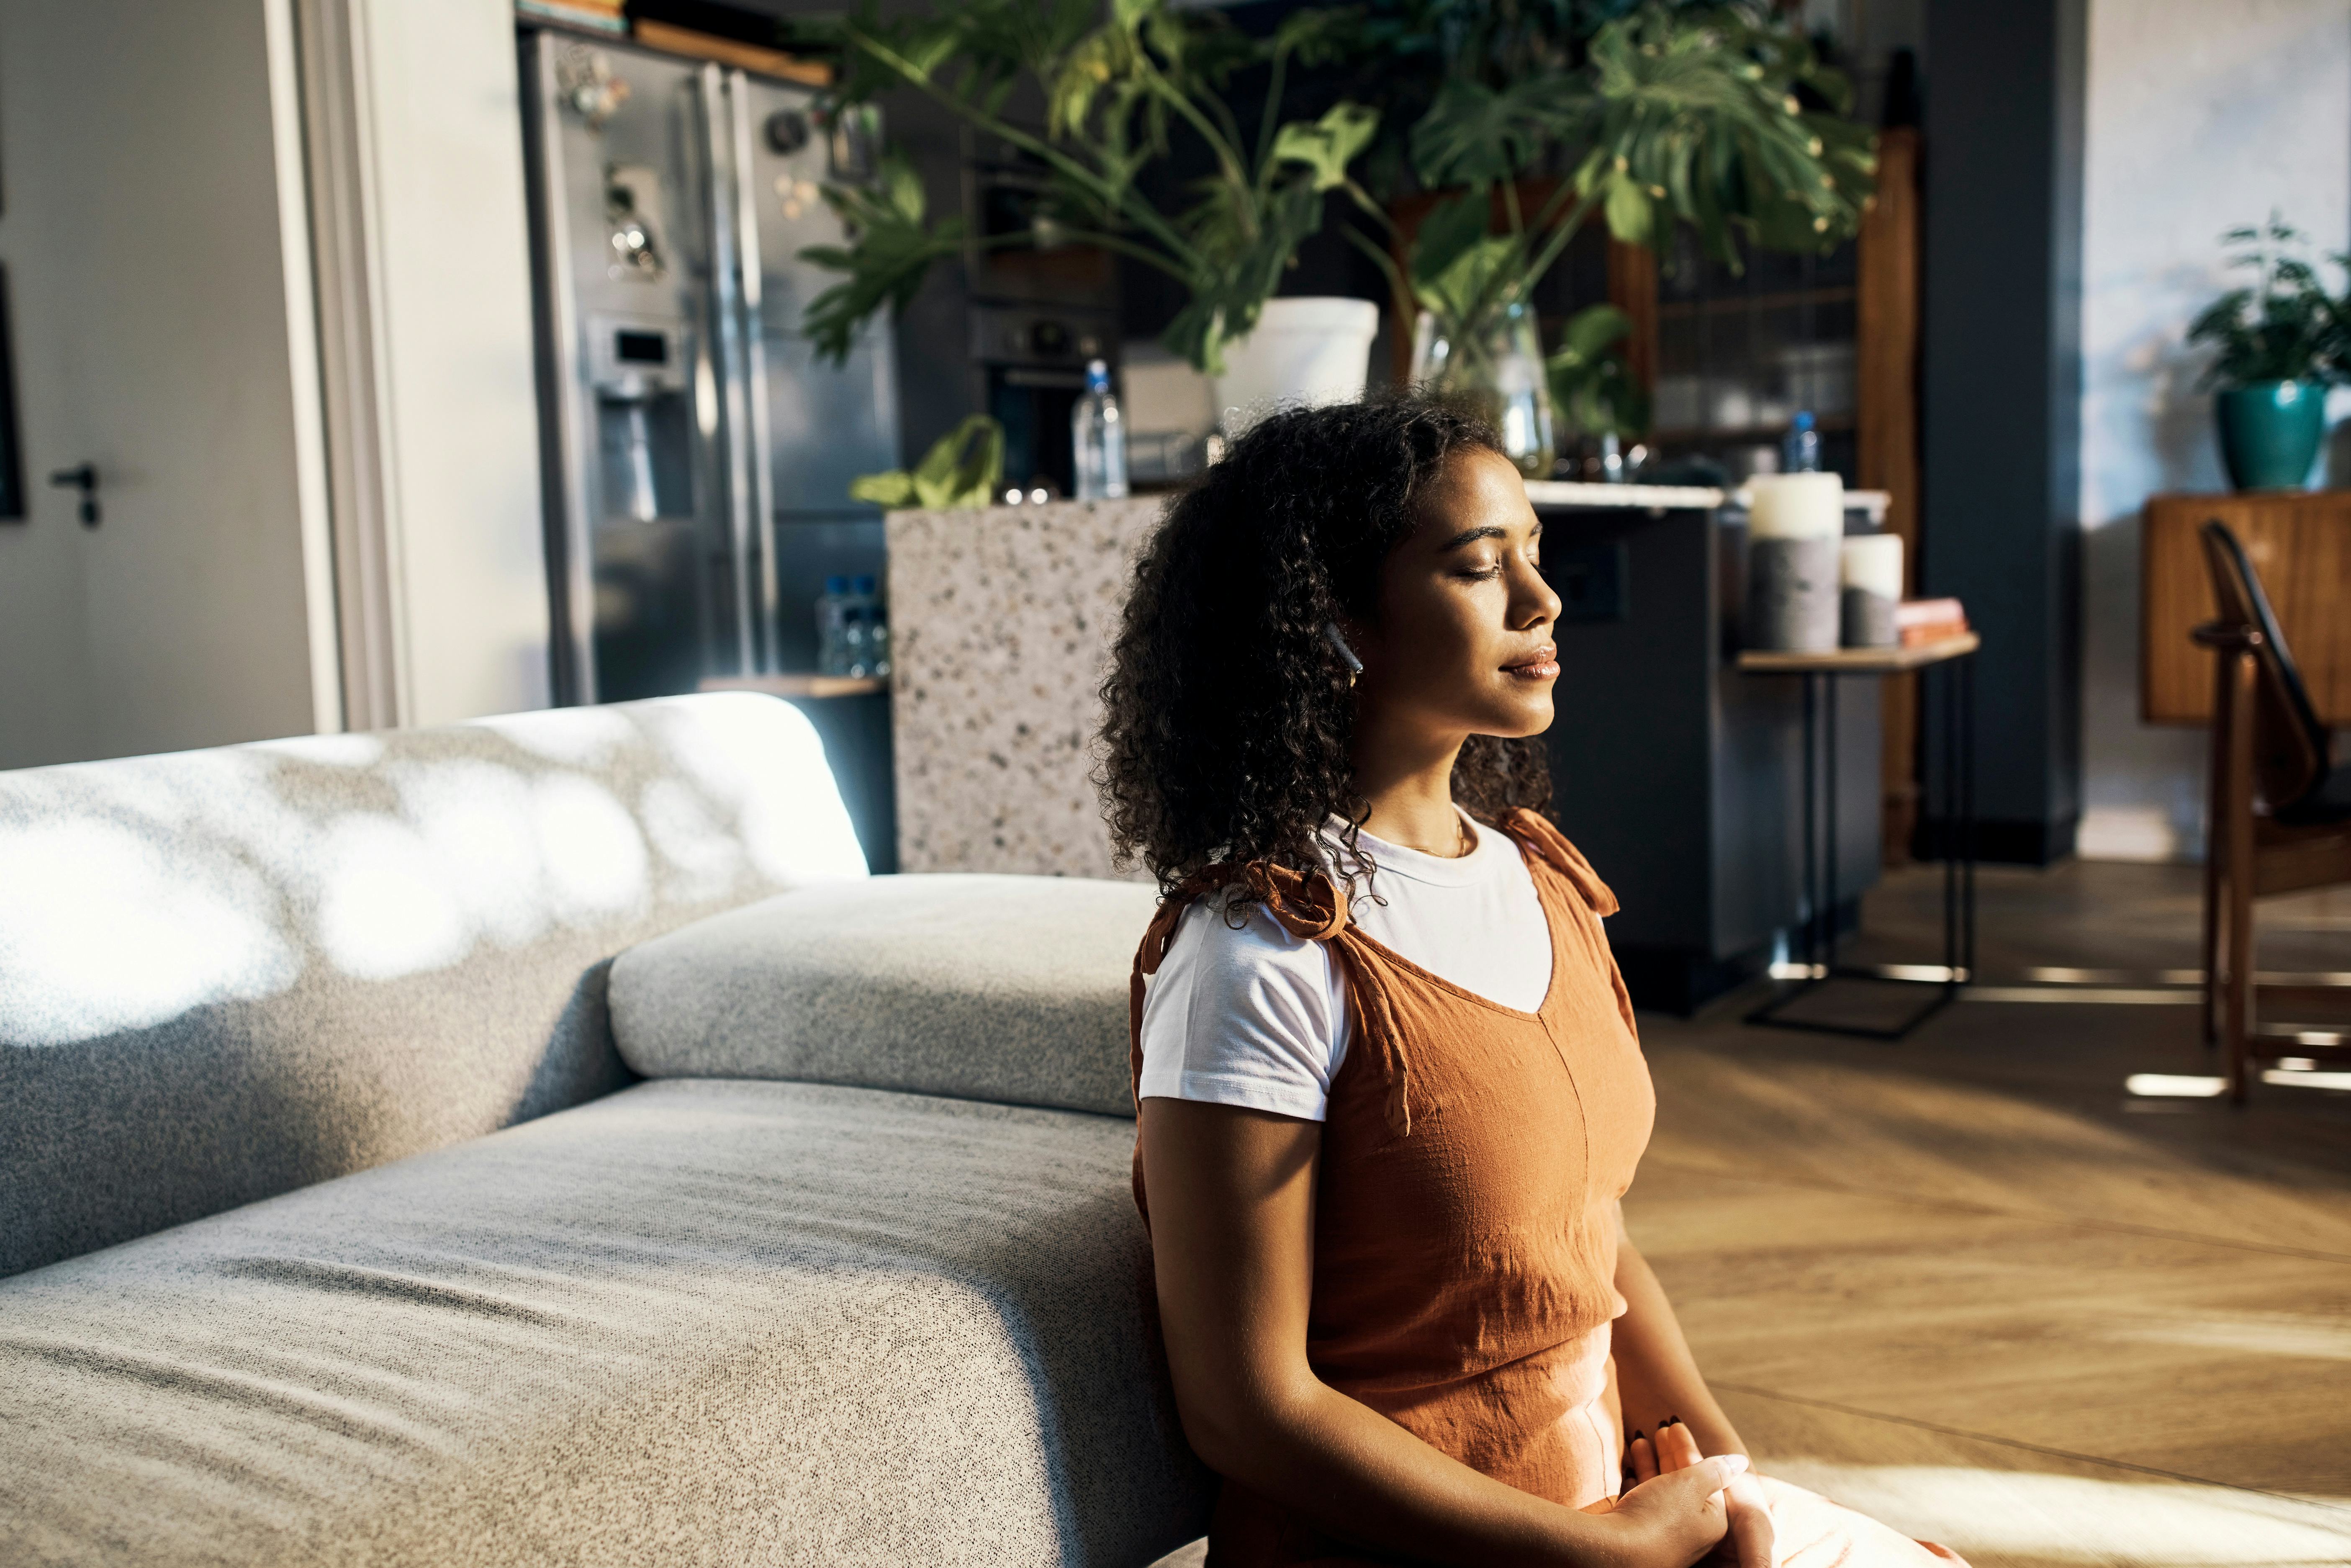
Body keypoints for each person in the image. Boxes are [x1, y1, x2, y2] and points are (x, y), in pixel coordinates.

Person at [1097, 396, 1967, 1568]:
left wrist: (1724, 1478)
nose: (1541, 599)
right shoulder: (1257, 954)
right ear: (1335, 618)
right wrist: (1604, 1557)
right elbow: (1247, 1407)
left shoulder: (1534, 875)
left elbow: (1588, 1238)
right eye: (1475, 565)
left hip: (1602, 1506)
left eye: (1533, 553)